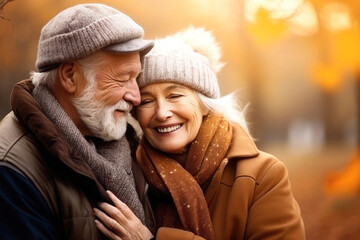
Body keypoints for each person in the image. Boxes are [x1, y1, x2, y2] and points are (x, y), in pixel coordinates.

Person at [93, 26, 306, 240]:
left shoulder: (263, 175)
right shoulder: (128, 176)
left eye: (175, 96)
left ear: (205, 104)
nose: (162, 113)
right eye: (147, 101)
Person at [0, 3, 155, 240]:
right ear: (70, 76)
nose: (135, 96)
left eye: (136, 78)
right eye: (123, 79)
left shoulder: (124, 145)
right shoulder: (12, 171)